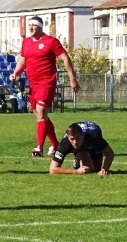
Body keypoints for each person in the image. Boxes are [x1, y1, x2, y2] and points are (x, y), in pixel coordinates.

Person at [10, 16, 80, 157]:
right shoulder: (26, 42)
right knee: (39, 115)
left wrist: (72, 78)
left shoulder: (50, 41)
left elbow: (65, 58)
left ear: (40, 27)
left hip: (47, 82)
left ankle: (39, 148)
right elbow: (23, 60)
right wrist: (16, 72)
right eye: (29, 25)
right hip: (33, 84)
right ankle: (55, 145)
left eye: (34, 25)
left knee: (41, 112)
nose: (30, 27)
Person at [50, 121, 114, 175]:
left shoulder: (94, 137)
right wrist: (76, 171)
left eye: (77, 138)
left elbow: (110, 153)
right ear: (68, 137)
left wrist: (105, 169)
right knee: (88, 168)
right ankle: (78, 161)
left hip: (92, 144)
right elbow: (52, 169)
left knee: (97, 169)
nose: (75, 142)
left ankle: (90, 156)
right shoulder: (65, 143)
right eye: (72, 139)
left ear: (82, 135)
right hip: (81, 149)